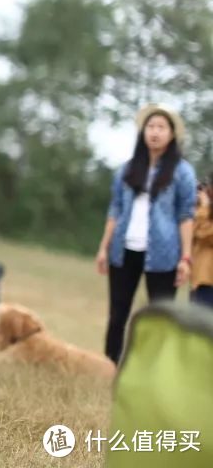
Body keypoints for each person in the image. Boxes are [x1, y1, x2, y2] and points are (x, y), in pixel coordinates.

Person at [95, 104, 197, 364]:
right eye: (150, 127)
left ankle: (154, 370)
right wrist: (104, 247)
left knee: (160, 316)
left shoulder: (182, 172)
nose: (155, 132)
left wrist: (185, 258)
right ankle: (110, 365)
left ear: (172, 134)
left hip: (164, 254)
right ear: (143, 132)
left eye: (161, 127)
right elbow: (115, 209)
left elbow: (186, 215)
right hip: (124, 250)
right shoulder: (127, 169)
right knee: (118, 313)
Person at [191, 178, 213, 309]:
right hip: (200, 280)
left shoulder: (204, 211)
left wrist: (204, 207)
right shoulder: (203, 211)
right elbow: (191, 232)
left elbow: (205, 235)